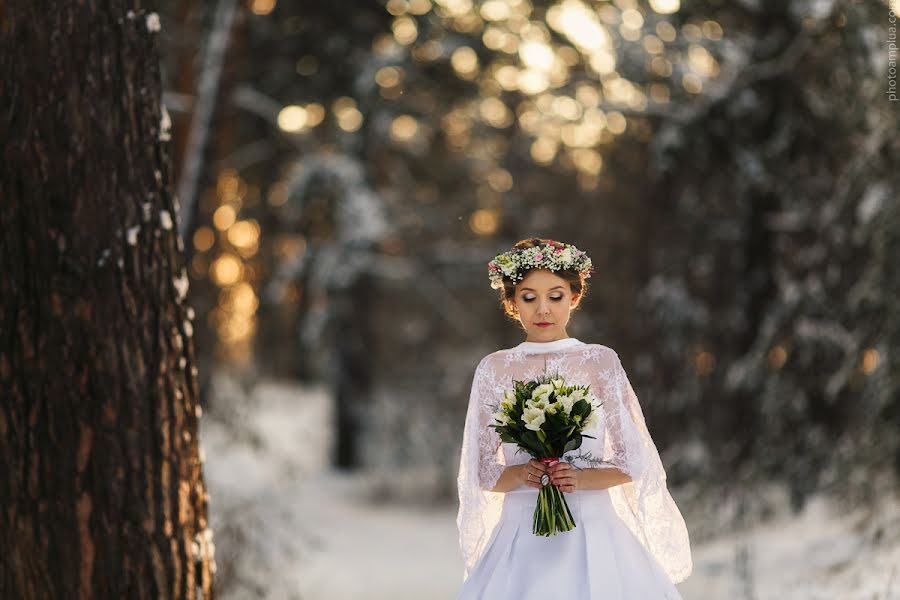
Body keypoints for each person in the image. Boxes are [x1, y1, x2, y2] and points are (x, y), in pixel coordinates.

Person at [455, 237, 692, 599]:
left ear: (574, 297)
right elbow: (482, 472)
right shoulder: (495, 369)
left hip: (595, 530)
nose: (543, 310)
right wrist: (521, 473)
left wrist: (580, 479)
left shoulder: (600, 362)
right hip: (521, 536)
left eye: (556, 296)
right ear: (512, 303)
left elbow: (633, 461)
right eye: (529, 297)